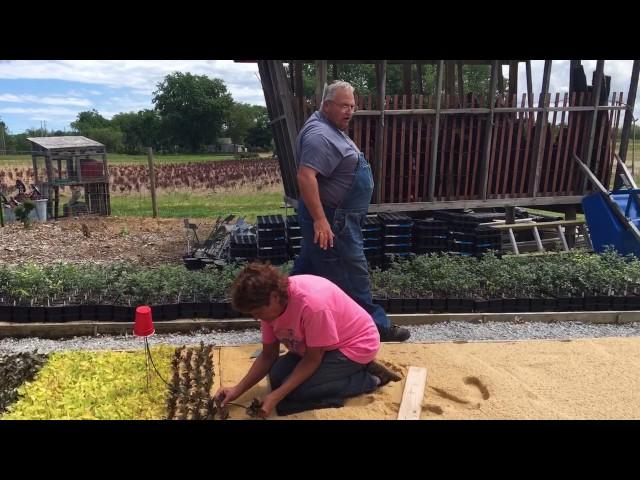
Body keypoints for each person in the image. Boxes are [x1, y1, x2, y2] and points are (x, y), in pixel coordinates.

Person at [290, 80, 410, 342]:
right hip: (334, 222)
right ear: (327, 105)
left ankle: (280, 318)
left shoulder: (329, 127)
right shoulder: (319, 135)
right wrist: (322, 221)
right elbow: (305, 176)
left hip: (337, 218)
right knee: (351, 272)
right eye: (344, 106)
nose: (350, 112)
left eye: (352, 106)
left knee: (306, 272)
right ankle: (375, 326)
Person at [214, 262, 401, 417]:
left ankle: (370, 378)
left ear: (274, 296)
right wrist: (236, 390)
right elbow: (268, 355)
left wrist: (276, 397)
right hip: (321, 346)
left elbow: (313, 359)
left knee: (299, 392)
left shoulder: (312, 305)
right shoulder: (268, 308)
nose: (257, 318)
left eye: (258, 313)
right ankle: (349, 371)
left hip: (355, 344)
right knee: (277, 376)